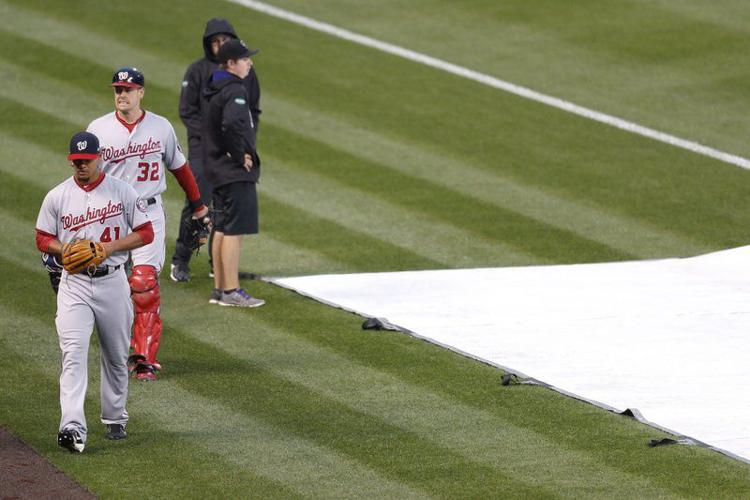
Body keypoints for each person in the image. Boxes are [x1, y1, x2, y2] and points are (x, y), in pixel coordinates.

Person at [35, 131, 154, 453]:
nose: (81, 167)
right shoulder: (57, 195)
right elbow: (43, 237)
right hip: (73, 285)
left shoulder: (123, 192)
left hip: (113, 281)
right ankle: (71, 426)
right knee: (72, 355)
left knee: (115, 356)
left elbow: (146, 232)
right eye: (76, 162)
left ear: (99, 158)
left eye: (86, 161)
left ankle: (115, 417)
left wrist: (109, 247)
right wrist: (64, 250)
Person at [87, 67, 209, 380]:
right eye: (117, 90)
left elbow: (180, 169)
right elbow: (85, 176)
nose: (121, 95)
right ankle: (115, 353)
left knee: (143, 284)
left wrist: (198, 207)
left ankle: (144, 359)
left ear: (141, 92)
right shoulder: (98, 129)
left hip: (147, 213)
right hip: (108, 215)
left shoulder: (160, 127)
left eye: (127, 90)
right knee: (107, 288)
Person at [171, 17, 262, 283]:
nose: (220, 45)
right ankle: (181, 260)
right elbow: (188, 111)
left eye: (225, 41)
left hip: (235, 149)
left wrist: (246, 143)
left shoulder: (245, 73)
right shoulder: (199, 71)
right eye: (216, 42)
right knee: (198, 203)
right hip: (205, 150)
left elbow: (251, 110)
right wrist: (217, 140)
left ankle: (220, 267)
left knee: (226, 209)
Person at [203, 39, 265, 308]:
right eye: (244, 59)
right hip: (233, 171)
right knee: (233, 231)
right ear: (230, 64)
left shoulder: (215, 86)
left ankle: (220, 289)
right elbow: (233, 124)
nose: (249, 63)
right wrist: (241, 155)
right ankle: (231, 290)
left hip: (216, 168)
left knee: (221, 227)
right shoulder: (234, 89)